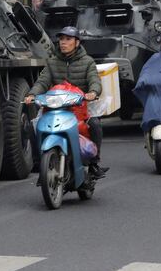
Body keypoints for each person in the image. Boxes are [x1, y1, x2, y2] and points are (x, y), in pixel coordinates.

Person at [24, 26, 107, 177]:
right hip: (55, 107)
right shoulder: (52, 62)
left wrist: (93, 92)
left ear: (77, 42)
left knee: (94, 124)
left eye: (68, 39)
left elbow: (95, 80)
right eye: (61, 39)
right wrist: (32, 94)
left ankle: (94, 163)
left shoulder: (88, 62)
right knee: (33, 126)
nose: (63, 43)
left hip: (80, 107)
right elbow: (42, 82)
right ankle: (39, 163)